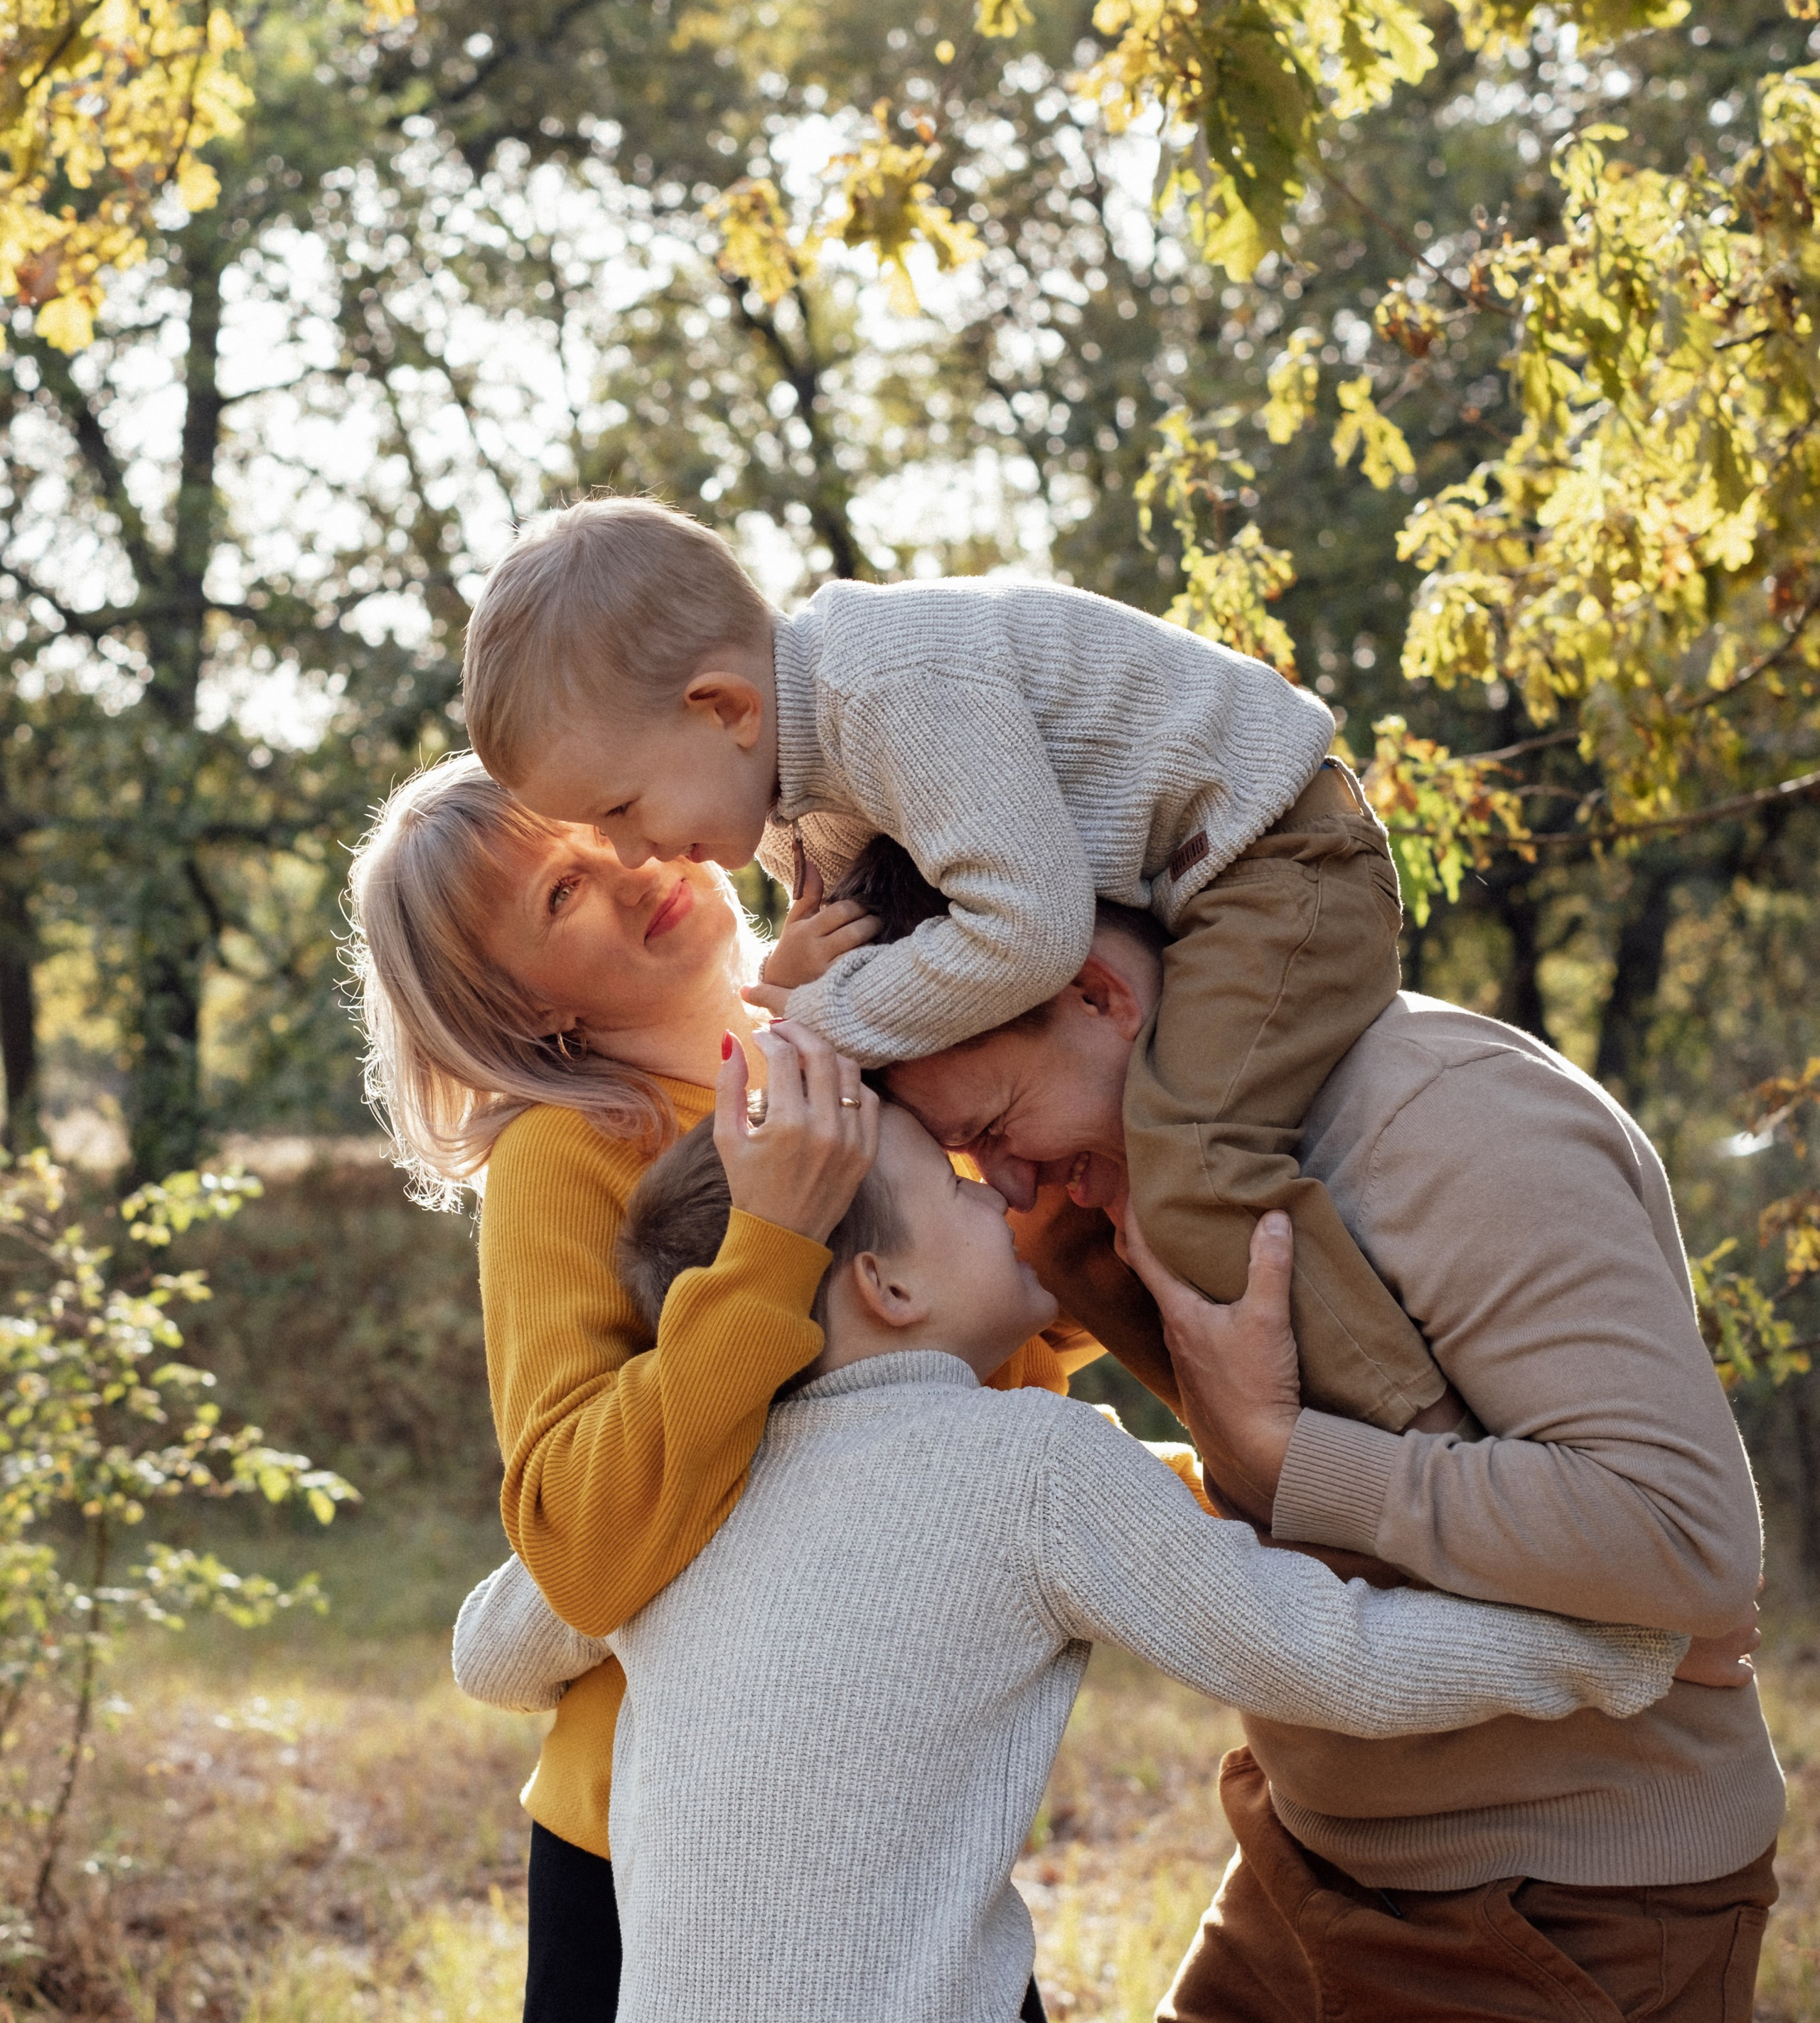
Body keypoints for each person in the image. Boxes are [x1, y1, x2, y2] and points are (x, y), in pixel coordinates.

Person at [459, 1102, 1685, 2023]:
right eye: (958, 1182)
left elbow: (489, 1652)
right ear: (884, 1279)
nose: (1001, 1192)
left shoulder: (681, 1489)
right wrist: (1610, 1646)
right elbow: (1326, 1655)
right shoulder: (1025, 1464)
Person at [879, 890, 1783, 2023]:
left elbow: (1683, 1543)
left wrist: (1292, 1457)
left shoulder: (1440, 1122)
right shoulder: (1139, 1183)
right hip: (1300, 1888)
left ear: (1103, 996)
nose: (1005, 1174)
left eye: (996, 1116)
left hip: (1562, 1923)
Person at [346, 753, 1079, 2023]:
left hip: (887, 1798)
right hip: (663, 1834)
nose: (628, 872)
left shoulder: (848, 1054)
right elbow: (582, 1539)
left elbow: (974, 1360)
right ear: (514, 1004)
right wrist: (769, 1239)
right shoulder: (566, 1154)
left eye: (606, 833)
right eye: (559, 892)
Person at [458, 493, 1450, 1434]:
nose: (627, 851)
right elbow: (908, 962)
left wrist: (819, 1017)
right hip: (1160, 907)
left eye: (621, 809)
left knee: (1190, 1161)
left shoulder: (889, 686)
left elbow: (1028, 929)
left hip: (1274, 859)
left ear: (724, 708)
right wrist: (808, 996)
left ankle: (1419, 1442)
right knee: (1056, 1238)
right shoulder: (792, 811)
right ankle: (1262, 1472)